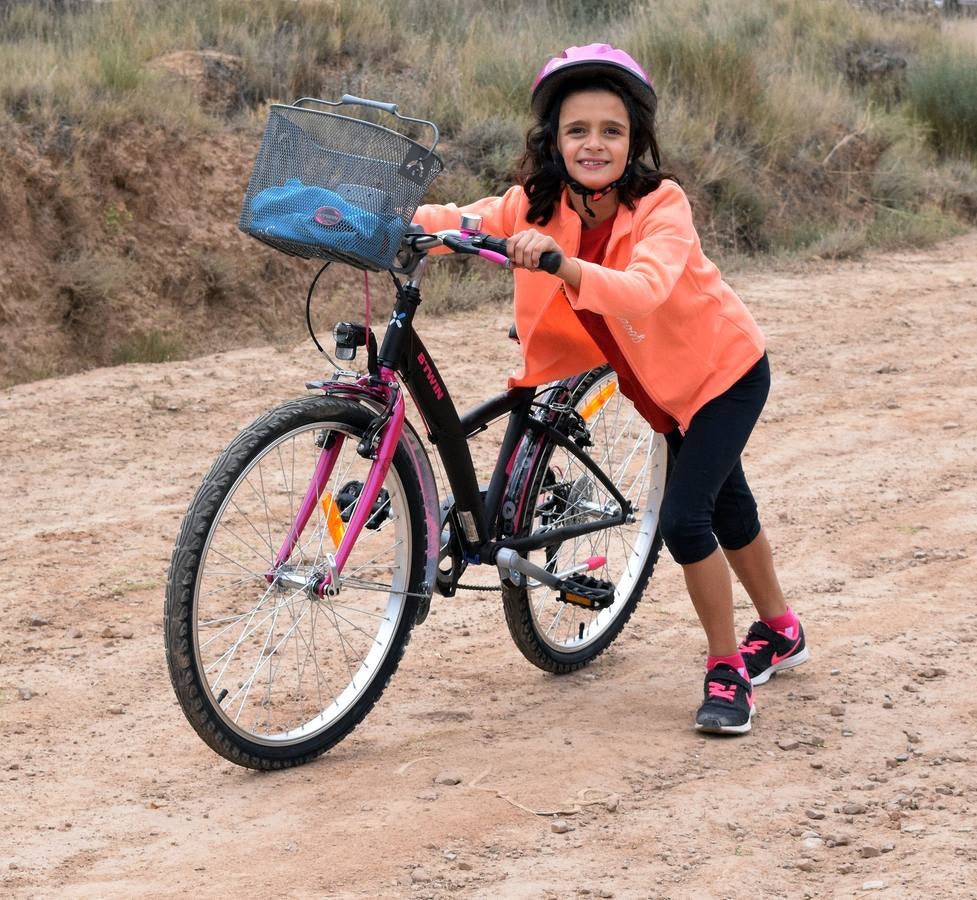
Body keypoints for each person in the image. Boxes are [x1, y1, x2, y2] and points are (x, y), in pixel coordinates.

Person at [413, 43, 808, 734]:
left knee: (687, 520)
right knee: (728, 508)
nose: (593, 144)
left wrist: (562, 265)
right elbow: (462, 222)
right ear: (552, 141)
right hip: (660, 390)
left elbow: (645, 291)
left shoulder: (661, 204)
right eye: (577, 131)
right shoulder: (532, 205)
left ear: (634, 141)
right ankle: (780, 628)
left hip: (724, 376)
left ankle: (727, 671)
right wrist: (384, 220)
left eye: (611, 131)